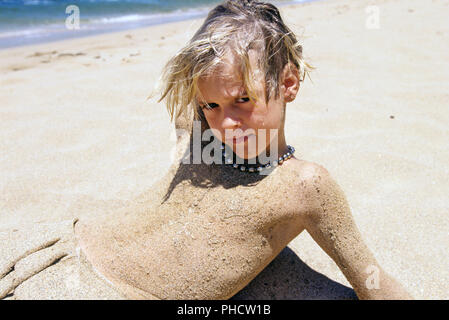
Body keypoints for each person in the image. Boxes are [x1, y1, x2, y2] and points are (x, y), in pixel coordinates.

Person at [0, 0, 412, 300]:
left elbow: (371, 279)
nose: (225, 122)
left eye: (242, 100)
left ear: (288, 84)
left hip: (111, 293)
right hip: (57, 248)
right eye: (210, 105)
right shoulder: (199, 136)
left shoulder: (305, 185)